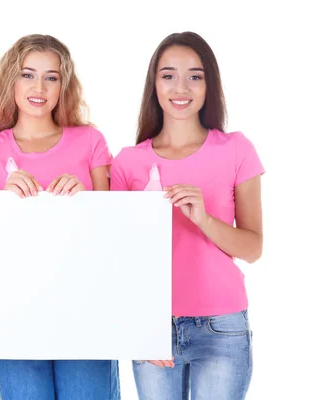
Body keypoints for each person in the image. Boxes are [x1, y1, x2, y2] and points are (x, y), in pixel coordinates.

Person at [110, 31, 264, 400]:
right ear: (155, 85)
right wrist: (138, 328)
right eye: (168, 75)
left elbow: (253, 247)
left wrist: (205, 220)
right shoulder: (128, 162)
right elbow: (117, 258)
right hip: (153, 327)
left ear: (210, 84)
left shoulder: (236, 150)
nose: (181, 87)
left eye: (195, 76)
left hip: (222, 326)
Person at [0, 34, 119, 399]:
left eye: (51, 77)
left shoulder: (90, 141)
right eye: (27, 75)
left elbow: (113, 230)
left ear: (63, 85)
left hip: (85, 312)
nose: (39, 87)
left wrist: (87, 203)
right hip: (13, 314)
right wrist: (3, 202)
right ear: (10, 81)